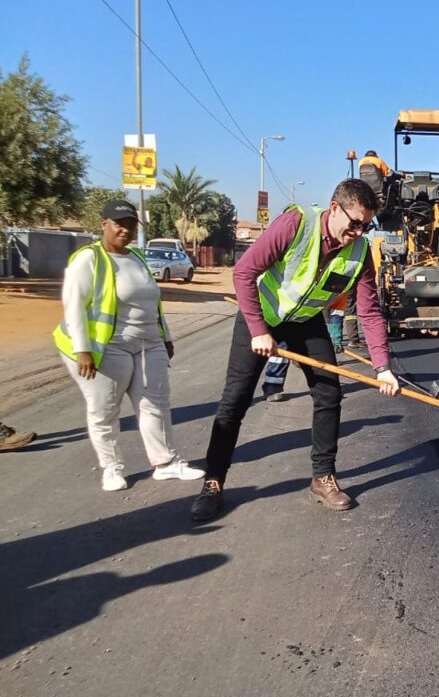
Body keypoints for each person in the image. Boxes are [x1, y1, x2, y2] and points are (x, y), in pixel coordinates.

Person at [191, 179, 400, 521]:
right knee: (235, 401)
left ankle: (323, 477)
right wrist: (259, 331)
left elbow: (370, 310)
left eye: (366, 226)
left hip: (305, 320)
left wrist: (382, 366)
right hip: (262, 314)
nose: (359, 233)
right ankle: (213, 482)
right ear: (335, 208)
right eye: (354, 223)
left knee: (329, 392)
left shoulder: (361, 252)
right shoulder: (295, 224)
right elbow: (244, 273)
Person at [54, 200, 204, 491]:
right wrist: (82, 349)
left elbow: (152, 303)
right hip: (107, 347)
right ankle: (111, 467)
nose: (125, 230)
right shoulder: (90, 259)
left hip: (149, 343)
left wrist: (166, 336)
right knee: (105, 409)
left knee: (155, 404)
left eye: (131, 225)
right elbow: (73, 307)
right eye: (119, 224)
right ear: (104, 224)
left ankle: (166, 463)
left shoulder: (136, 256)